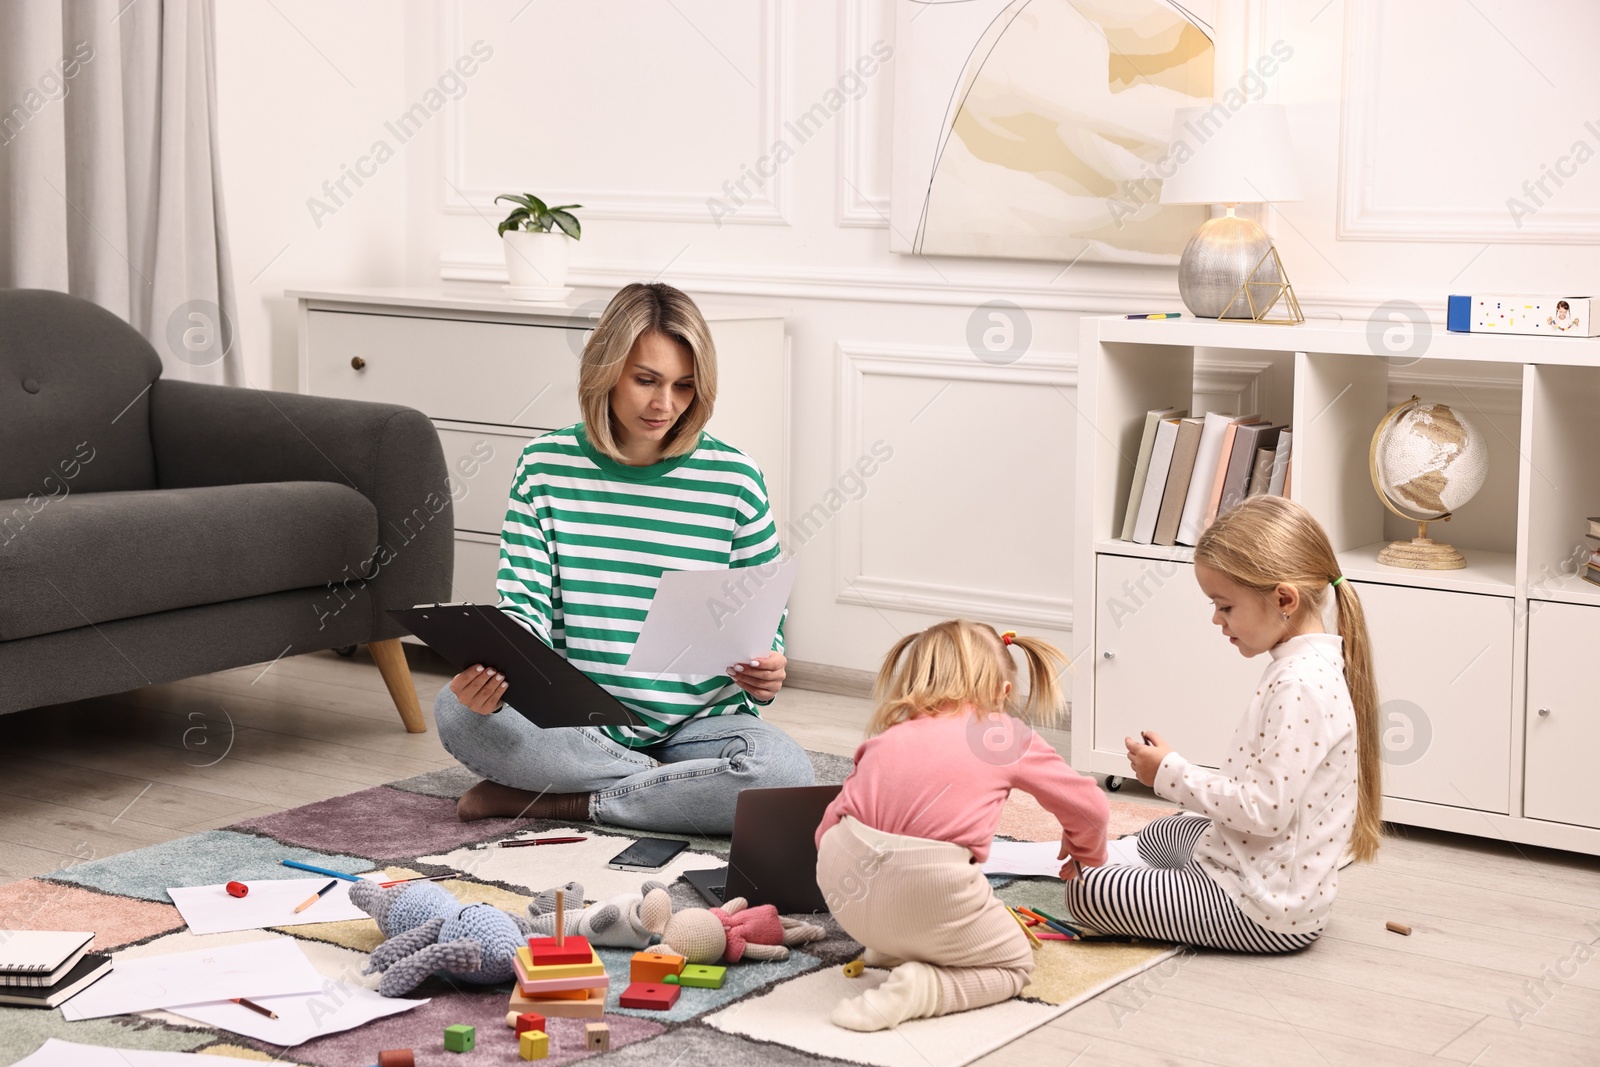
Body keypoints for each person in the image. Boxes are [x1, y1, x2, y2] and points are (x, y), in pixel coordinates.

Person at [434, 282, 813, 834]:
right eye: (646, 381)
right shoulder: (545, 466)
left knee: (782, 776)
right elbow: (524, 613)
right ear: (606, 370)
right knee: (456, 710)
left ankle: (562, 800)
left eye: (685, 386)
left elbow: (765, 630)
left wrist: (767, 670)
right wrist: (493, 678)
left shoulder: (736, 478)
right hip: (578, 725)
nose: (666, 405)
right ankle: (676, 790)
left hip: (700, 726)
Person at [1065, 495, 1381, 952]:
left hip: (1262, 910)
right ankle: (1167, 889)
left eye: (1225, 606)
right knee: (1165, 830)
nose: (1216, 619)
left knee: (1087, 890)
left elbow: (1265, 812)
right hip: (1262, 870)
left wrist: (1170, 773)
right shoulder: (1304, 664)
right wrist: (1174, 775)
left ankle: (1158, 892)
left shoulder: (1301, 685)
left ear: (1284, 599)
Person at [814, 620, 1109, 1032]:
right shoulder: (1000, 733)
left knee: (902, 895)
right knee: (1014, 963)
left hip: (843, 894)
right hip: (928, 887)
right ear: (1003, 693)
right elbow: (1092, 808)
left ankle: (893, 947)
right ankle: (924, 987)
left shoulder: (886, 737)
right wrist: (1086, 853)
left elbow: (826, 829)